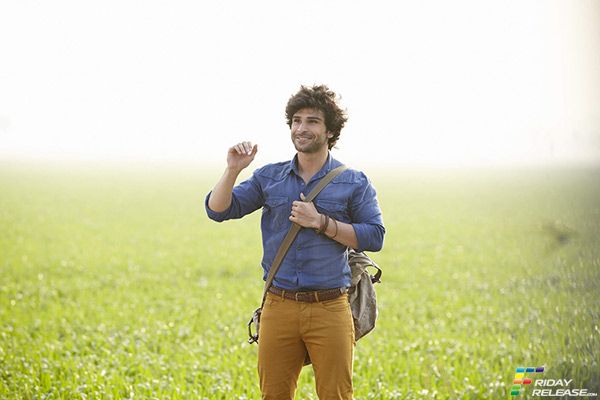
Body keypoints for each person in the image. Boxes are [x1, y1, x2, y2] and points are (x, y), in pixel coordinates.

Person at [205, 84, 385, 400]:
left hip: (330, 306)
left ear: (330, 131)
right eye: (296, 120)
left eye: (312, 121)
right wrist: (232, 170)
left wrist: (321, 222)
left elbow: (374, 236)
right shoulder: (269, 177)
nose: (301, 128)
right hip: (279, 305)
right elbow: (218, 210)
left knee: (336, 396)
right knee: (273, 395)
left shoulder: (353, 182)